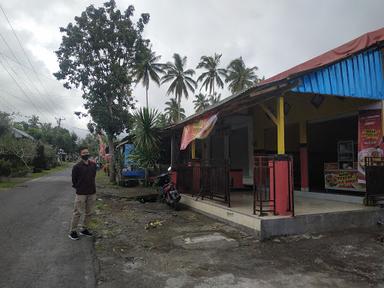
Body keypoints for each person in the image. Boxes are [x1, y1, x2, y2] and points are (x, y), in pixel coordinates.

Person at [68, 146, 97, 240]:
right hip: (81, 193)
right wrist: (80, 187)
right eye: (84, 153)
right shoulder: (77, 167)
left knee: (89, 212)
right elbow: (74, 180)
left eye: (87, 152)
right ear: (80, 154)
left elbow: (93, 176)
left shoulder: (93, 165)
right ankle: (72, 231)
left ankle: (84, 229)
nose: (86, 154)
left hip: (92, 192)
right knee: (77, 213)